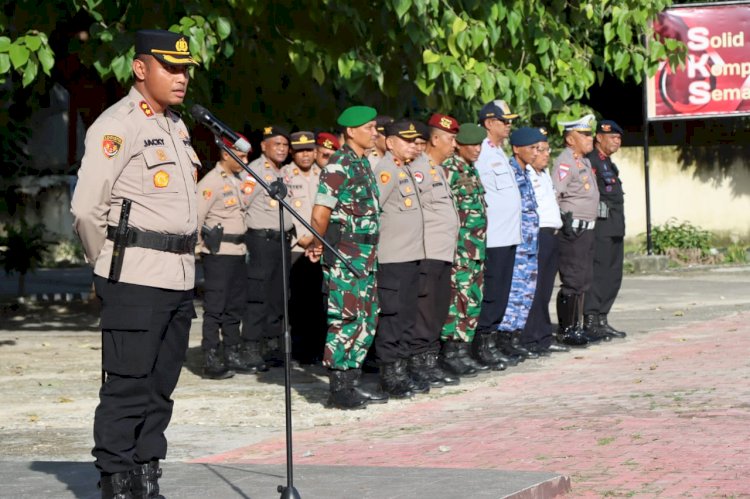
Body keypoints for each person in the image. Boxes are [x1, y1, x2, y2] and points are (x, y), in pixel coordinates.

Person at [71, 29, 200, 498]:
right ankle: (117, 480)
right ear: (141, 69)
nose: (181, 77)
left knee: (160, 388)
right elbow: (86, 210)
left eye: (185, 69)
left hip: (179, 277)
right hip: (135, 276)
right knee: (127, 387)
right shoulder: (117, 125)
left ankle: (147, 472)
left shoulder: (176, 126)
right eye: (171, 67)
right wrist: (104, 266)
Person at [306, 105, 383, 409]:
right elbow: (320, 212)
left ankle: (353, 380)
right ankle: (339, 387)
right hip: (346, 253)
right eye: (369, 128)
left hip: (366, 255)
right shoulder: (339, 164)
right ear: (351, 131)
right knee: (345, 317)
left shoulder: (362, 163)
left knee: (366, 317)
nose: (375, 132)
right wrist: (320, 244)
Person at [405, 113, 462, 387]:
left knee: (438, 310)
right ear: (435, 139)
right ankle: (419, 364)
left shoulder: (438, 170)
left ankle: (430, 361)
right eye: (451, 139)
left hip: (442, 252)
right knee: (425, 311)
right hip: (427, 253)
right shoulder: (419, 169)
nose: (455, 145)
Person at [372, 119, 427, 398]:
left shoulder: (404, 169)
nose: (412, 145)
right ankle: (389, 374)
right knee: (392, 317)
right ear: (390, 142)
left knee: (406, 316)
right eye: (406, 140)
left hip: (411, 255)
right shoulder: (385, 170)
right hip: (392, 257)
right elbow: (373, 209)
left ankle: (403, 369)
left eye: (415, 140)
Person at [474, 99, 525, 366]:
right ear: (489, 123)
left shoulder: (497, 152)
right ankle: (482, 344)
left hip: (508, 235)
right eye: (504, 121)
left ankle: (492, 340)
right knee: (491, 292)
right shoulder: (480, 153)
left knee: (502, 291)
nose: (509, 126)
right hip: (493, 236)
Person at [196, 135, 252, 379]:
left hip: (238, 252)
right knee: (215, 308)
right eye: (240, 156)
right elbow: (197, 217)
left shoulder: (238, 179)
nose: (245, 160)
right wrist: (198, 249)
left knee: (234, 307)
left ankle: (232, 352)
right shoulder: (211, 182)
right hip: (218, 254)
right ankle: (210, 355)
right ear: (226, 154)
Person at [241, 125, 294, 370]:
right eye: (277, 144)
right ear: (264, 146)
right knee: (258, 296)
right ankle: (250, 347)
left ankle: (272, 346)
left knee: (278, 296)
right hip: (261, 241)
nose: (282, 149)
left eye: (285, 145)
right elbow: (242, 203)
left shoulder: (285, 172)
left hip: (282, 241)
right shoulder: (255, 171)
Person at [552, 114, 608, 347]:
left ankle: (576, 327)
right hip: (573, 230)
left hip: (587, 229)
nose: (589, 138)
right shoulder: (565, 162)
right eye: (583, 134)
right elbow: (555, 193)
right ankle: (566, 330)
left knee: (584, 279)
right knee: (573, 280)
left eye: (589, 133)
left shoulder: (582, 161)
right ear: (570, 139)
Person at [440, 123, 489, 377]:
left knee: (471, 299)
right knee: (457, 301)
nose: (477, 149)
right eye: (472, 144)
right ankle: (450, 353)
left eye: (480, 144)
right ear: (458, 144)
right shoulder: (449, 170)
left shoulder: (469, 169)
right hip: (460, 249)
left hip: (476, 249)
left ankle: (462, 350)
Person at [522, 128, 570, 355]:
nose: (544, 154)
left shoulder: (544, 174)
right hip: (538, 235)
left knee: (545, 289)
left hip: (552, 235)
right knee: (535, 289)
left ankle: (542, 335)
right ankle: (532, 338)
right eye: (539, 150)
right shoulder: (527, 175)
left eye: (546, 149)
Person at [501, 127, 546, 360]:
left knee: (526, 293)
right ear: (517, 149)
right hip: (517, 244)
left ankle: (516, 337)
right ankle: (504, 339)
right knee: (513, 294)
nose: (535, 152)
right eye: (531, 148)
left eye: (537, 148)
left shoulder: (526, 173)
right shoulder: (509, 172)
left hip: (530, 244)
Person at [283, 131, 326, 364]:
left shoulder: (324, 174)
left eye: (309, 150)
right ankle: (301, 351)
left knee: (320, 300)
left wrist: (320, 241)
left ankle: (319, 347)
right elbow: (288, 212)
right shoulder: (285, 175)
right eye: (300, 151)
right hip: (299, 248)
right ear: (292, 152)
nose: (305, 155)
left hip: (322, 246)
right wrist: (306, 239)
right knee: (299, 301)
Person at [584, 120, 628, 339]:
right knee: (599, 274)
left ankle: (602, 318)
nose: (616, 142)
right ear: (599, 137)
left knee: (613, 275)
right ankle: (591, 319)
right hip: (600, 227)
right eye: (612, 137)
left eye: (619, 138)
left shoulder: (608, 163)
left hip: (615, 226)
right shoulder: (591, 160)